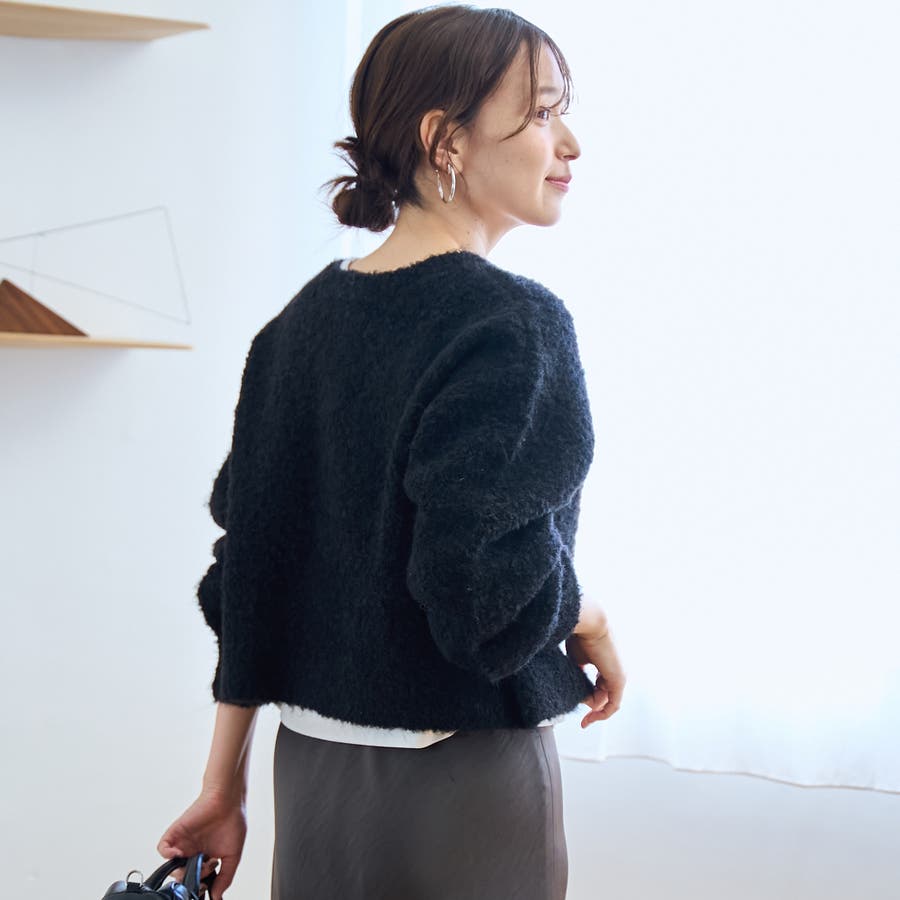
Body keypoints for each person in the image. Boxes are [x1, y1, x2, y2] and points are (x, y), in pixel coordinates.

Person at [157, 5, 626, 899]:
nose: (569, 142)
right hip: (464, 788)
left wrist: (223, 788)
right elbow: (482, 597)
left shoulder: (296, 330)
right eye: (540, 113)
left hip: (312, 777)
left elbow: (250, 575)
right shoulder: (513, 324)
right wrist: (588, 615)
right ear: (444, 139)